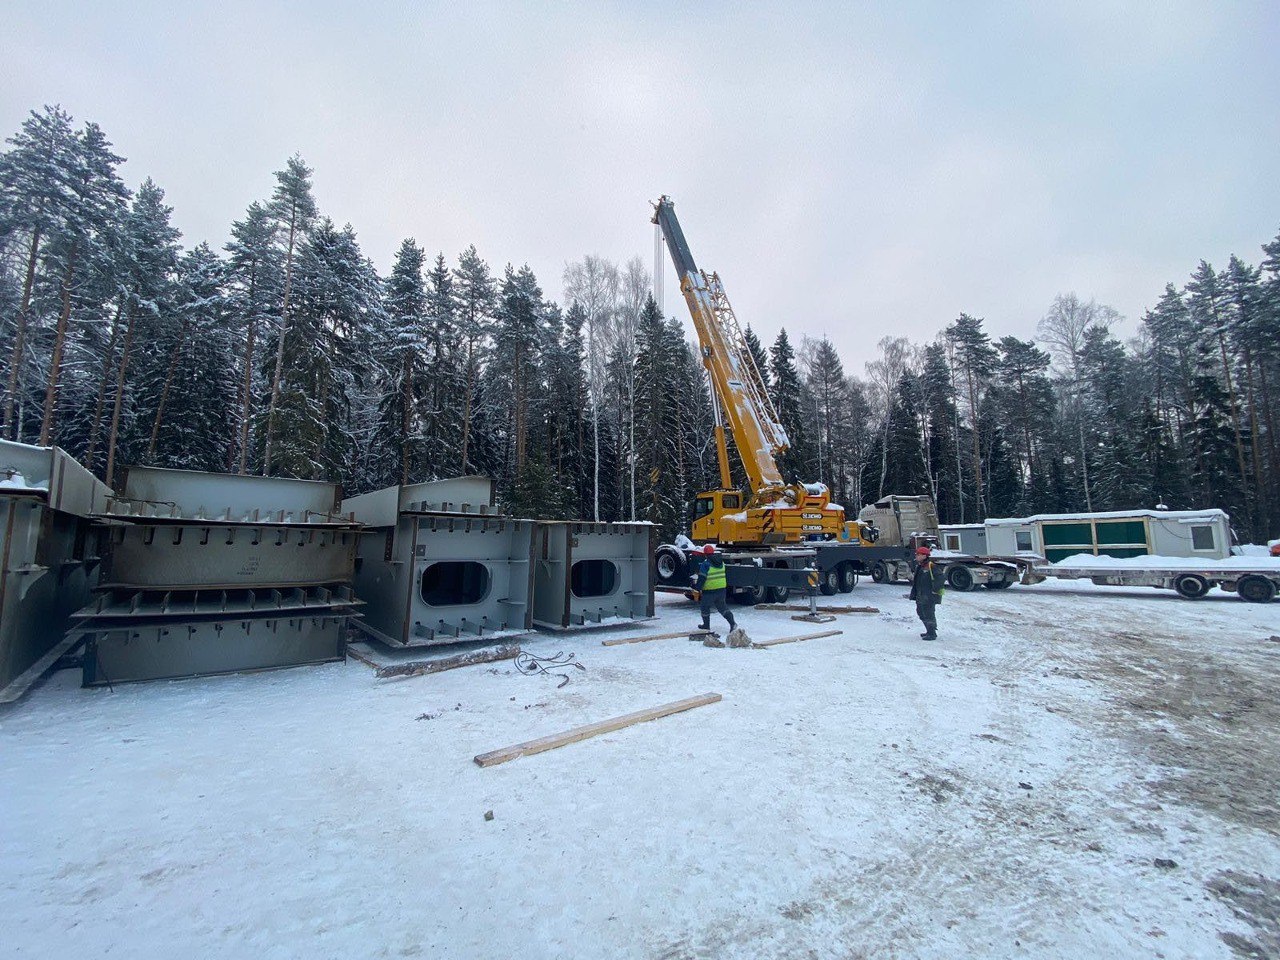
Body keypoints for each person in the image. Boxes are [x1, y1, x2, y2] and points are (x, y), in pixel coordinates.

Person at [693, 544, 736, 633]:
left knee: (705, 607)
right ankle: (733, 624)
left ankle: (706, 626)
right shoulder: (721, 562)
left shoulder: (705, 564)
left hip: (710, 590)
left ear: (705, 554)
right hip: (721, 590)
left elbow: (702, 578)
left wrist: (697, 588)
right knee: (722, 608)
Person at [908, 545, 944, 641]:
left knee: (928, 613)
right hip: (921, 595)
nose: (916, 556)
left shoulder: (931, 566)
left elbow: (940, 578)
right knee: (920, 612)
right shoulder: (920, 566)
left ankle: (932, 633)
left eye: (918, 554)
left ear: (925, 556)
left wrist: (934, 590)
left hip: (929, 596)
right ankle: (928, 630)